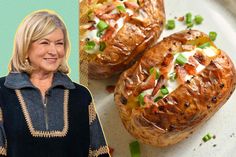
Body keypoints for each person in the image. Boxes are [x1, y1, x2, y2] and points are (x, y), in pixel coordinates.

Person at [0, 10, 110, 157]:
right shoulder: (2, 92)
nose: (54, 51)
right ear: (25, 47)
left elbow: (99, 152)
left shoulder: (81, 96)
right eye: (44, 42)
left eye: (59, 43)